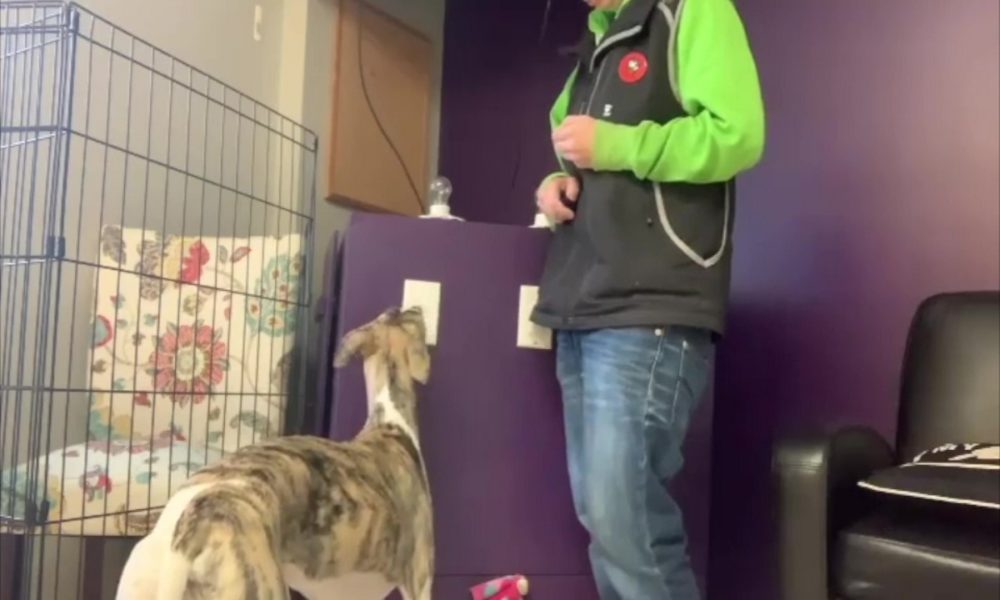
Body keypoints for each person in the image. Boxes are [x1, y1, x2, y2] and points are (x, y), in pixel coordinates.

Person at [530, 0, 765, 598]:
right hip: (583, 300)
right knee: (606, 519)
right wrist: (554, 184)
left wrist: (619, 145)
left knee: (625, 523)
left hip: (651, 304)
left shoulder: (695, 11)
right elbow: (570, 149)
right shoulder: (597, 44)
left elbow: (738, 133)